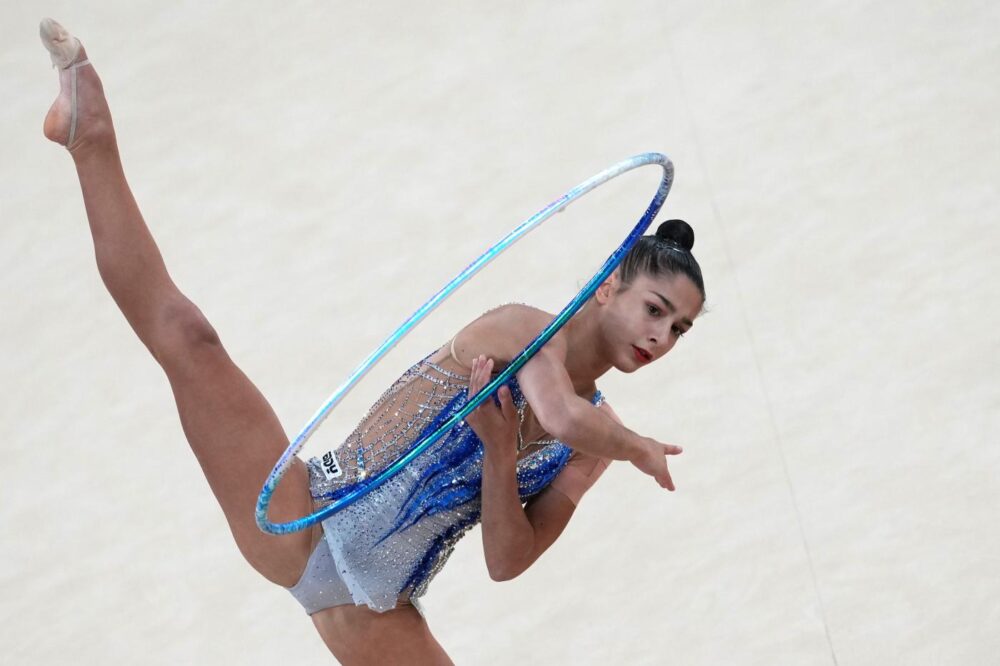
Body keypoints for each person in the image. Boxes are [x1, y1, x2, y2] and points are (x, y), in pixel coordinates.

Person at [39, 19, 706, 665]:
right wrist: (638, 446)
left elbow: (508, 562)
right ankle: (90, 134)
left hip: (380, 610)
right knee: (189, 338)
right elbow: (559, 411)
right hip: (306, 520)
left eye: (679, 327)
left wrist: (501, 456)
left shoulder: (593, 445)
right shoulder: (522, 330)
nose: (661, 335)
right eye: (655, 308)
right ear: (608, 287)